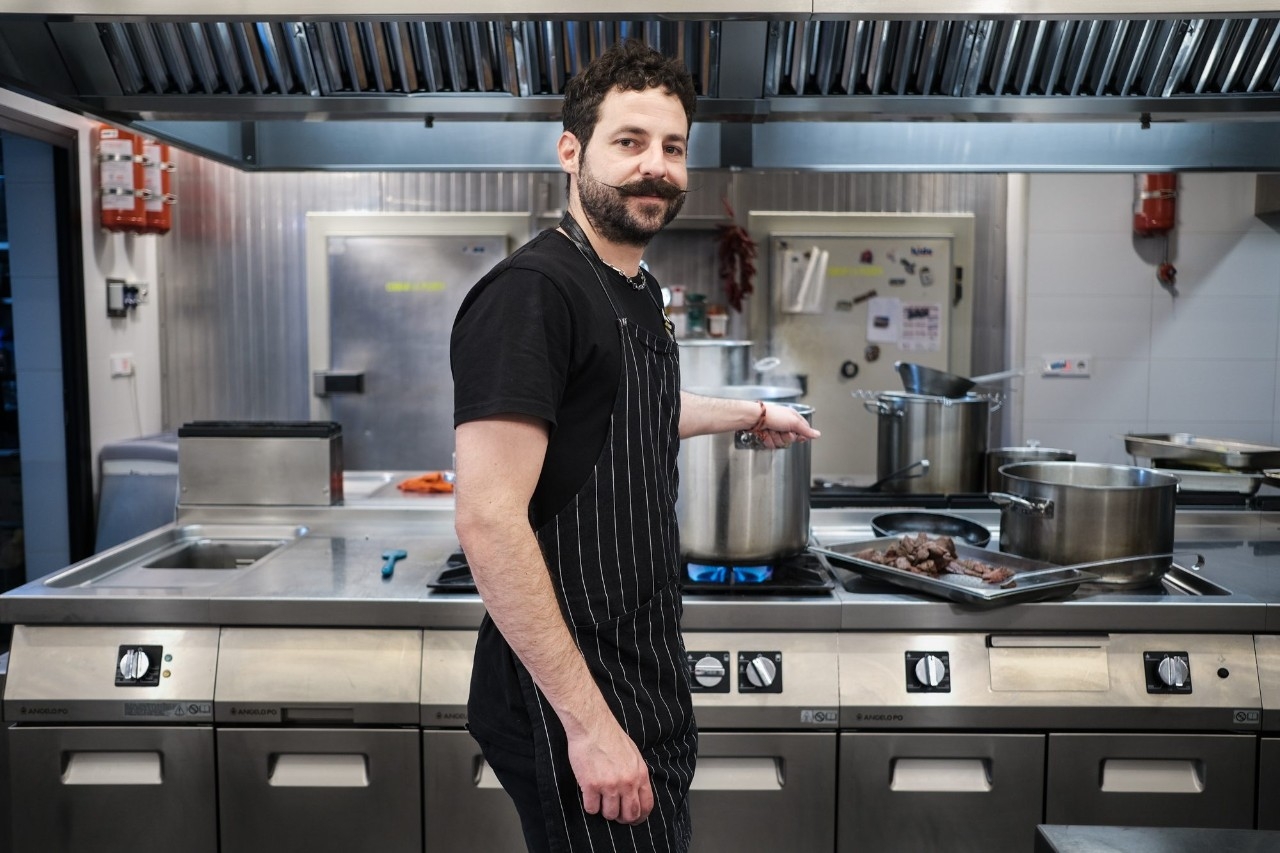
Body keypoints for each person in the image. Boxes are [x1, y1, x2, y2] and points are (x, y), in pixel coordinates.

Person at [450, 39, 819, 853]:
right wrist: (590, 727)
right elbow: (486, 518)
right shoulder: (533, 293)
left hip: (640, 671)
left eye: (674, 147)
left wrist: (751, 411)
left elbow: (622, 408)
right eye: (630, 142)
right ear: (572, 151)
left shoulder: (633, 290)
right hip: (573, 698)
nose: (656, 166)